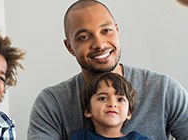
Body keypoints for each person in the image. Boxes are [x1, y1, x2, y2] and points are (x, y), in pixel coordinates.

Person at [27, 0, 188, 139]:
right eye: (84, 37)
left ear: (117, 31)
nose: (100, 44)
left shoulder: (164, 89)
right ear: (70, 47)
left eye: (106, 31)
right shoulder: (52, 103)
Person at [71, 72, 149, 140]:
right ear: (88, 110)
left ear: (129, 113)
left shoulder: (138, 139)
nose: (112, 104)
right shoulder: (81, 137)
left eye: (120, 100)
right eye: (103, 98)